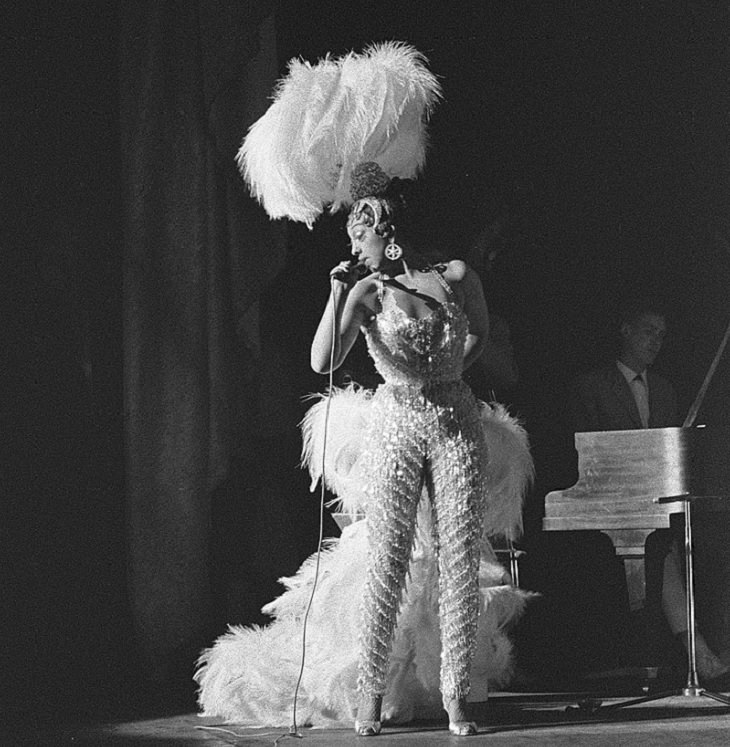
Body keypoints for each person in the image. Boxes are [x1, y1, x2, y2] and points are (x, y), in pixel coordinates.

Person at [195, 164, 533, 736]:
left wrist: (451, 373)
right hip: (396, 423)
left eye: (360, 237)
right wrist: (336, 295)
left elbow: (478, 333)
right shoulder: (367, 292)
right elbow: (321, 361)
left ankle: (456, 698)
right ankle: (370, 696)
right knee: (388, 560)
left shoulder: (455, 276)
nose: (355, 248)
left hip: (454, 421)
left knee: (457, 559)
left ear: (386, 231)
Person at [569, 304, 730, 685]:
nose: (656, 341)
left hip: (661, 502)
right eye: (647, 331)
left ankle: (700, 650)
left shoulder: (665, 389)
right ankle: (695, 653)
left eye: (661, 334)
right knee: (659, 549)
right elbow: (583, 454)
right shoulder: (590, 386)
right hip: (613, 502)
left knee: (703, 542)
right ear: (625, 330)